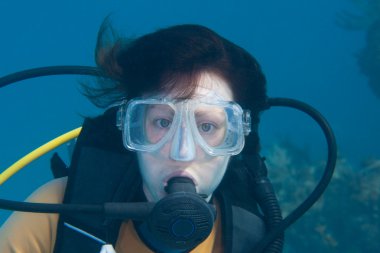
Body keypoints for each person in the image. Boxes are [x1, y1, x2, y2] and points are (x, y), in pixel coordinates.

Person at [0, 21, 279, 253]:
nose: (182, 152)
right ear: (131, 127)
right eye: (161, 122)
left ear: (237, 137)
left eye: (207, 127)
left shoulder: (250, 238)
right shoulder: (59, 212)